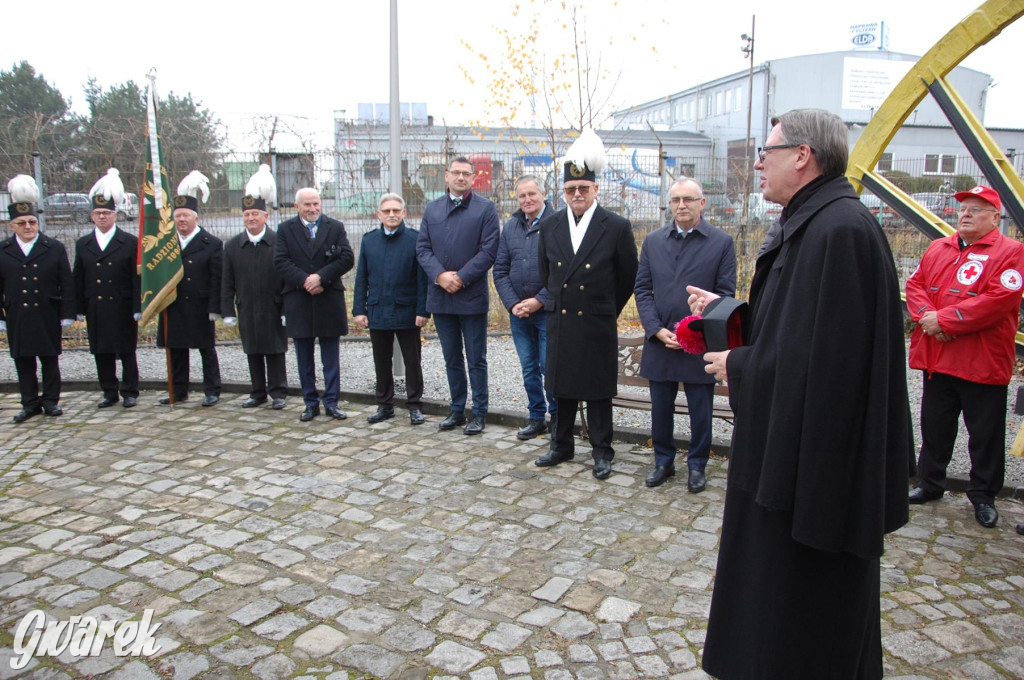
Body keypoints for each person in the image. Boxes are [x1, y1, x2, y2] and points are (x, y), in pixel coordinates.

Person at [688, 109, 913, 679]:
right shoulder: (812, 222)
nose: (759, 162)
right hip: (787, 453)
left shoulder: (839, 231)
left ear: (804, 156)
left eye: (769, 151)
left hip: (816, 472)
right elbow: (794, 329)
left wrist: (739, 365)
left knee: (806, 618)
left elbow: (829, 369)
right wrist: (727, 316)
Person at [905, 185, 1024, 529]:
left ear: (995, 218)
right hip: (938, 358)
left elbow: (999, 300)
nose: (966, 213)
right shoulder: (939, 247)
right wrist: (928, 315)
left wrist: (943, 321)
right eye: (964, 208)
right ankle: (930, 483)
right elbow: (916, 286)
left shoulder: (1011, 252)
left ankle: (983, 496)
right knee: (935, 426)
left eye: (977, 208)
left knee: (985, 434)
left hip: (982, 363)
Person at [535, 129, 639, 480]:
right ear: (563, 192)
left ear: (596, 189)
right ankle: (560, 444)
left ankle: (601, 450)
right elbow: (546, 272)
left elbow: (627, 277)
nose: (577, 194)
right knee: (561, 387)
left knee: (597, 390)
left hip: (596, 320)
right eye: (570, 189)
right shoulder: (549, 226)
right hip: (562, 320)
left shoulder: (617, 227)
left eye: (584, 188)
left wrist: (603, 305)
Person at [634, 177, 736, 491]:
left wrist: (695, 328)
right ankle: (663, 461)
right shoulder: (653, 241)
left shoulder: (721, 243)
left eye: (689, 199)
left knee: (700, 410)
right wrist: (655, 329)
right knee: (660, 408)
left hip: (698, 343)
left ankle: (697, 466)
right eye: (676, 199)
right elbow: (642, 290)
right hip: (662, 340)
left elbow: (724, 295)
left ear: (702, 203)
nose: (682, 205)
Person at [416, 156, 499, 435]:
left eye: (466, 173)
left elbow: (489, 251)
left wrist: (460, 278)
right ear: (446, 175)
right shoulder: (433, 209)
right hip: (441, 297)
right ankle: (456, 409)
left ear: (473, 178)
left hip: (471, 297)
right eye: (456, 172)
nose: (460, 177)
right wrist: (440, 276)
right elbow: (422, 249)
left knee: (476, 358)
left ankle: (479, 413)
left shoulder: (485, 209)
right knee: (451, 357)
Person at [274, 187, 354, 422]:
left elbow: (346, 258)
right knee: (303, 356)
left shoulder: (335, 227)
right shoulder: (285, 230)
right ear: (297, 206)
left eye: (316, 204)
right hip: (299, 299)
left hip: (328, 298)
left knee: (331, 356)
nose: (312, 209)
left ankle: (331, 402)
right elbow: (280, 261)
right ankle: (310, 403)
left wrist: (321, 278)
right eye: (307, 205)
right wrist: (305, 281)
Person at [0, 175, 74, 423]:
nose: (28, 226)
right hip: (18, 314)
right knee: (23, 360)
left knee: (49, 359)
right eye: (22, 223)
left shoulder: (52, 247)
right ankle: (29, 403)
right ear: (12, 226)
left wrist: (67, 312)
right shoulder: (4, 250)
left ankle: (51, 401)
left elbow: (67, 282)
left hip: (46, 312)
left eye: (32, 221)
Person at [352, 193, 429, 425]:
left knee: (412, 361)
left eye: (396, 210)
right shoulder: (369, 240)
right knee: (381, 360)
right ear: (379, 214)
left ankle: (414, 405)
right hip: (378, 311)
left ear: (404, 213)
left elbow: (422, 280)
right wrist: (359, 310)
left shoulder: (415, 239)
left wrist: (423, 310)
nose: (392, 215)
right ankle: (384, 405)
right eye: (387, 211)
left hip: (407, 312)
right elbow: (361, 278)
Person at [493, 175, 557, 440]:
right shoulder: (511, 227)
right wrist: (513, 304)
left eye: (532, 194)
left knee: (548, 366)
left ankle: (557, 419)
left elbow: (560, 272)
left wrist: (538, 300)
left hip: (547, 311)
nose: (527, 199)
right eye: (522, 196)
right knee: (528, 367)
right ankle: (535, 417)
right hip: (519, 314)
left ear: (543, 193)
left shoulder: (557, 224)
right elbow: (500, 270)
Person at [221, 165, 289, 410]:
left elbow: (286, 278)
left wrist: (286, 309)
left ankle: (279, 391)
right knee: (252, 350)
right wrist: (227, 310)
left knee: (274, 350)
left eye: (255, 214)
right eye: (247, 214)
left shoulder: (278, 242)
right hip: (247, 306)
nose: (251, 218)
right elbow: (226, 281)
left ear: (265, 217)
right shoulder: (231, 246)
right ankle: (257, 391)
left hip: (273, 306)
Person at [73, 168, 141, 409]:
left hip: (121, 306)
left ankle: (130, 391)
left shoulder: (129, 242)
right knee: (101, 351)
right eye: (98, 213)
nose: (102, 217)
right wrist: (78, 307)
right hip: (96, 306)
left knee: (126, 351)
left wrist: (137, 306)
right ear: (92, 216)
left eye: (107, 213)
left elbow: (136, 278)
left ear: (115, 215)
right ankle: (109, 391)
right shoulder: (83, 244)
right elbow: (78, 277)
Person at [157, 171, 223, 407]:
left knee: (206, 350)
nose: (182, 220)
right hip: (173, 304)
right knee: (175, 349)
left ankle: (212, 390)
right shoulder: (165, 244)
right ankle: (178, 390)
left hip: (200, 304)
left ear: (195, 218)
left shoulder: (211, 243)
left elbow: (217, 278)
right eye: (178, 216)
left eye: (186, 215)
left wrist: (216, 308)